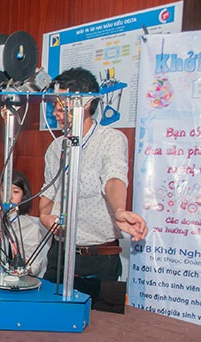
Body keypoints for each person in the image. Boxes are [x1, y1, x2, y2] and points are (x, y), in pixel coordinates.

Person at [39, 67, 147, 286]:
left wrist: (119, 210)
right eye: (53, 105)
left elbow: (114, 179)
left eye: (61, 104)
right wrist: (44, 216)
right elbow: (48, 191)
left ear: (85, 103)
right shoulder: (55, 147)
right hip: (59, 255)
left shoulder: (110, 140)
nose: (55, 112)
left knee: (99, 321)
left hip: (98, 260)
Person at [0, 170, 45, 276]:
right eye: (5, 191)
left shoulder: (31, 228)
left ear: (24, 195)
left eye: (16, 192)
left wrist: (25, 265)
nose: (9, 197)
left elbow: (36, 267)